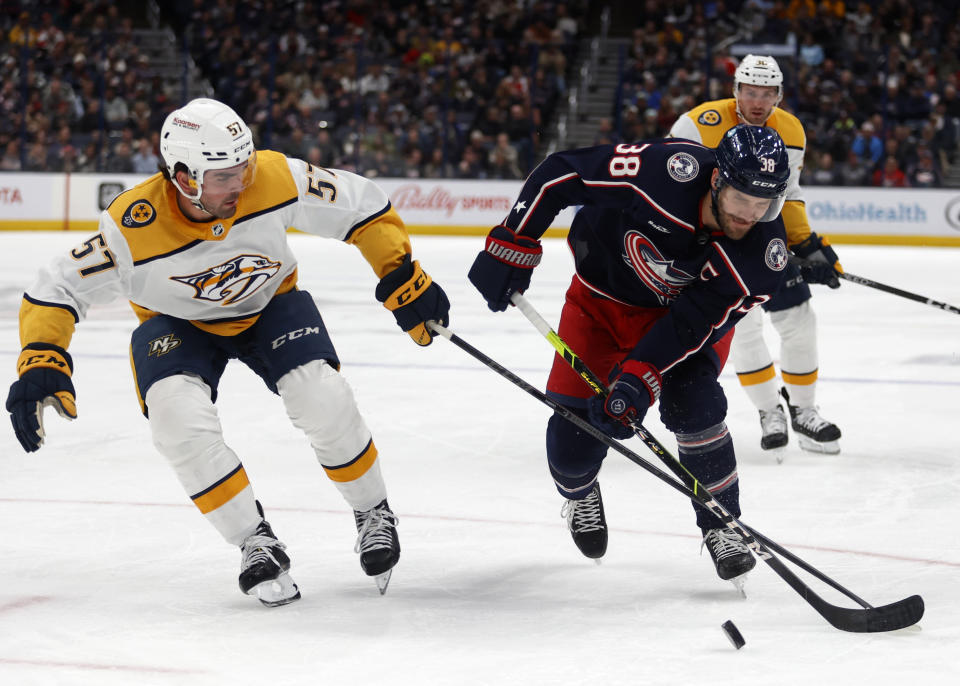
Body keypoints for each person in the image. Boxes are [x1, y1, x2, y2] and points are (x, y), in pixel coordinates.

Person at [5, 98, 450, 606]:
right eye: (223, 176)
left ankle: (373, 511)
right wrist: (42, 357)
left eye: (244, 167)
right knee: (174, 420)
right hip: (177, 323)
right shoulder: (132, 226)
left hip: (269, 304)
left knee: (321, 395)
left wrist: (401, 274)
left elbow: (359, 204)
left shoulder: (273, 176)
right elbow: (57, 287)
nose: (239, 184)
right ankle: (253, 538)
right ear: (183, 176)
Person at [467, 125, 790, 586]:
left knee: (694, 403)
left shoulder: (763, 257)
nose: (751, 215)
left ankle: (723, 523)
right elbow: (560, 174)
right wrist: (513, 243)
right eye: (743, 199)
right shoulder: (663, 172)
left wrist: (640, 376)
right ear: (717, 178)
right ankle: (580, 493)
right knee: (571, 448)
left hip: (683, 324)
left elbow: (691, 324)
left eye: (766, 205)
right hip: (599, 303)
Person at [669, 54, 844, 457]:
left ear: (779, 95)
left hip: (767, 238)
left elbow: (791, 192)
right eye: (751, 91)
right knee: (743, 329)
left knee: (799, 319)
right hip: (714, 241)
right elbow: (672, 182)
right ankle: (769, 411)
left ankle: (803, 410)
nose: (759, 101)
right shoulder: (697, 124)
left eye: (768, 93)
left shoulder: (791, 130)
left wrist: (807, 244)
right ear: (736, 91)